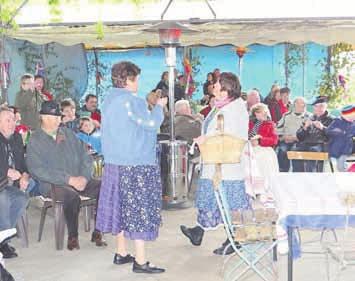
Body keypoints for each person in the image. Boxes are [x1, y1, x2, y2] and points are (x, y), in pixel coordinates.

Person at [96, 61, 167, 274]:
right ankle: (141, 260)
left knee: (119, 207)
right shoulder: (130, 101)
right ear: (128, 80)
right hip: (135, 164)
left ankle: (121, 252)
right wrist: (160, 108)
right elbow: (152, 125)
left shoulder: (108, 99)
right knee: (139, 211)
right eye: (136, 79)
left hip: (114, 163)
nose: (138, 83)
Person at [180, 72, 250, 255]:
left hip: (226, 166)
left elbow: (229, 134)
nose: (213, 86)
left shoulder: (234, 109)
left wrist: (206, 139)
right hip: (215, 162)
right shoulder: (221, 106)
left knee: (229, 203)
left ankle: (235, 240)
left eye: (217, 84)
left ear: (225, 90)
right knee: (213, 200)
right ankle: (199, 231)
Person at [26, 101, 106, 250]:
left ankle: (98, 230)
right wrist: (68, 179)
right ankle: (73, 236)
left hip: (78, 179)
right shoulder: (35, 140)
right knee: (71, 196)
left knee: (104, 187)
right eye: (54, 117)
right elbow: (37, 169)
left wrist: (84, 177)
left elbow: (86, 156)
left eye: (58, 116)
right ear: (43, 117)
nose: (58, 120)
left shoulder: (67, 133)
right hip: (53, 184)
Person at [0, 108, 30, 258]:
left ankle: (3, 236)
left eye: (14, 120)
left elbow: (23, 164)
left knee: (22, 198)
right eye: (8, 120)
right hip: (1, 184)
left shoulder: (17, 138)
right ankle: (3, 243)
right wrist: (6, 171)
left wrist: (25, 175)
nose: (12, 124)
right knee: (3, 199)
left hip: (10, 185)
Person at [292, 96, 333, 172]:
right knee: (295, 150)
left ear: (326, 107)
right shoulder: (309, 118)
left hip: (322, 145)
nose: (318, 109)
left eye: (321, 106)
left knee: (313, 151)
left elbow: (335, 135)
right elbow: (299, 136)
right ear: (314, 108)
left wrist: (323, 128)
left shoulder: (331, 119)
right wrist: (305, 128)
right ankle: (298, 178)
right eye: (316, 106)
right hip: (307, 143)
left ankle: (311, 179)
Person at [248, 103, 279, 195]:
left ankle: (263, 187)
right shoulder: (249, 123)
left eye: (266, 112)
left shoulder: (270, 124)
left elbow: (274, 140)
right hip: (249, 147)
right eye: (262, 112)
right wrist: (250, 141)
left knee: (262, 158)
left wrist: (260, 140)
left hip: (264, 149)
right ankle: (251, 188)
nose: (265, 114)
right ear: (256, 114)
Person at [276, 97, 310, 172]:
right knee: (283, 149)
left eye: (302, 104)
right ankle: (283, 173)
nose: (300, 106)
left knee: (295, 151)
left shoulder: (308, 117)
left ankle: (297, 174)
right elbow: (278, 129)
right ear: (294, 105)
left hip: (300, 141)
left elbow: (309, 133)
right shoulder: (286, 115)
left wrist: (295, 138)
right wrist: (283, 137)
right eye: (298, 104)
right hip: (286, 140)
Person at [326, 105, 355, 171]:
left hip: (345, 149)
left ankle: (346, 172)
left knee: (340, 166)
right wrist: (338, 132)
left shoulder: (353, 124)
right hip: (334, 148)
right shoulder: (337, 121)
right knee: (332, 166)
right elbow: (328, 131)